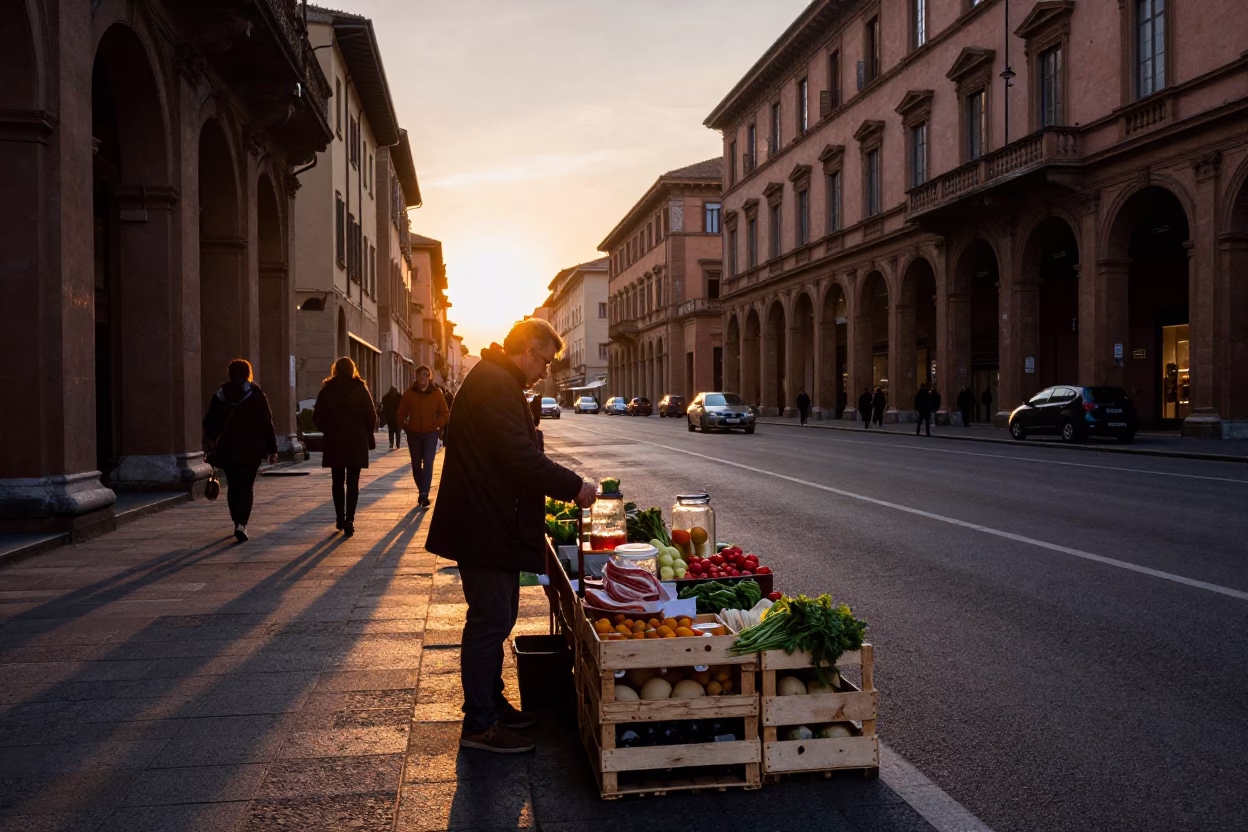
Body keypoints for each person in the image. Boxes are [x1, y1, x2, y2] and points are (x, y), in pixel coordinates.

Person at [427, 319, 597, 754]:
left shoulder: (497, 379)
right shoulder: (496, 384)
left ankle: (494, 706)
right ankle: (480, 725)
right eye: (544, 360)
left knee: (497, 620)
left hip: (490, 521)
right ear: (527, 350)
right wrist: (574, 486)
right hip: (484, 524)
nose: (545, 370)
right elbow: (518, 457)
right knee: (489, 623)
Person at [202, 359, 278, 543]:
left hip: (227, 448)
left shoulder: (220, 395)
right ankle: (241, 524)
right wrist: (272, 449)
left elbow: (209, 422)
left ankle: (236, 519)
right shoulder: (257, 394)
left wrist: (210, 441)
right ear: (248, 373)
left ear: (230, 374)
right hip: (251, 449)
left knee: (233, 485)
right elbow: (266, 423)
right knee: (246, 486)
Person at [313, 357, 377, 537]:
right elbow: (371, 415)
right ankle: (350, 519)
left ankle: (339, 517)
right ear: (352, 370)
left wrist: (327, 429)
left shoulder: (327, 390)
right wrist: (367, 432)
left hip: (335, 441)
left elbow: (317, 416)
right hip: (356, 441)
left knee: (337, 481)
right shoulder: (360, 388)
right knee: (353, 482)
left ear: (335, 370)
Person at [396, 365, 448, 509]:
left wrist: (436, 426)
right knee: (416, 466)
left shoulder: (437, 393)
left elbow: (444, 413)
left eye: (426, 375)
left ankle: (424, 494)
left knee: (429, 463)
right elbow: (400, 413)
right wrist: (406, 426)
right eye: (421, 375)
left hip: (430, 434)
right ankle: (423, 490)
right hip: (414, 435)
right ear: (416, 377)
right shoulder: (409, 394)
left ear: (429, 377)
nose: (423, 377)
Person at [381, 386, 403, 450]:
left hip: (390, 417)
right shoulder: (400, 397)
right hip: (397, 416)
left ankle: (391, 444)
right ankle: (397, 444)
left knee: (391, 431)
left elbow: (384, 408)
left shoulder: (386, 398)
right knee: (398, 432)